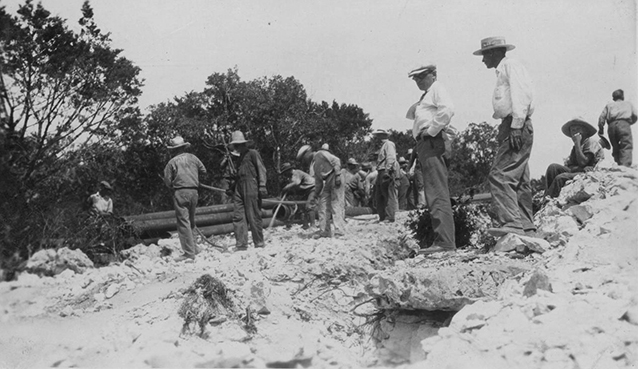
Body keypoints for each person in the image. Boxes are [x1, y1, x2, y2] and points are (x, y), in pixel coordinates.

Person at [474, 36, 536, 238]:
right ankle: (526, 226)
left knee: (500, 175)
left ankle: (511, 224)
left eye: (484, 55)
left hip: (515, 124)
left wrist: (516, 126)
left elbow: (521, 95)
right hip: (510, 124)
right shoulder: (504, 70)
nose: (483, 60)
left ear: (493, 53)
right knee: (518, 179)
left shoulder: (511, 66)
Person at [406, 64, 456, 253]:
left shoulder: (437, 89)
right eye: (415, 78)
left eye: (421, 76)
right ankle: (442, 239)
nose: (418, 81)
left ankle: (444, 241)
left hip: (432, 142)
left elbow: (447, 109)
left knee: (436, 192)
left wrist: (432, 130)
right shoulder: (428, 94)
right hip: (426, 143)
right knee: (433, 192)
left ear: (433, 75)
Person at [163, 136, 207, 261]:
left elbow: (167, 180)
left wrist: (173, 184)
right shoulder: (193, 158)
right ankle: (194, 248)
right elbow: (203, 170)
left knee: (183, 222)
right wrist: (193, 177)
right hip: (194, 191)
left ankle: (188, 253)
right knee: (191, 221)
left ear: (173, 149)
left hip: (181, 192)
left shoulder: (172, 162)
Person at [545, 118, 605, 198]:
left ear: (585, 131)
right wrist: (579, 168)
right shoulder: (576, 147)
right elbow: (570, 166)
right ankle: (546, 195)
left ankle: (550, 198)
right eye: (573, 130)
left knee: (560, 178)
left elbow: (583, 162)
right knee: (553, 167)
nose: (575, 132)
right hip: (580, 171)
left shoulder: (591, 142)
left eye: (578, 129)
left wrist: (577, 143)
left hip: (592, 173)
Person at [229, 131, 268, 251]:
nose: (237, 147)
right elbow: (237, 175)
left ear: (244, 144)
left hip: (251, 185)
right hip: (239, 187)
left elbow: (261, 169)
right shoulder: (238, 159)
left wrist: (262, 185)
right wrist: (231, 188)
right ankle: (241, 244)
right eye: (236, 145)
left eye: (239, 145)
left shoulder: (253, 153)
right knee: (238, 215)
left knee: (253, 214)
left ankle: (259, 243)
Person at [298, 144, 346, 238]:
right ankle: (324, 231)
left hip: (335, 176)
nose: (304, 160)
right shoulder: (314, 165)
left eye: (304, 157)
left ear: (308, 153)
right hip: (327, 181)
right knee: (322, 204)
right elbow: (318, 183)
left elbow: (336, 160)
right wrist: (315, 196)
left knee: (336, 204)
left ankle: (339, 231)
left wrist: (337, 175)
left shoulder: (320, 154)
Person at [598, 89, 636, 167]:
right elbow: (635, 115)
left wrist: (601, 130)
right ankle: (625, 166)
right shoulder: (628, 104)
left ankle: (619, 163)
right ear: (623, 96)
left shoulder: (609, 105)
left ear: (613, 98)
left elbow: (601, 118)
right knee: (626, 145)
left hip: (611, 126)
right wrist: (628, 123)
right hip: (624, 124)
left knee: (615, 146)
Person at [372, 129, 399, 223]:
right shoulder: (382, 146)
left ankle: (389, 216)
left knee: (388, 193)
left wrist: (387, 170)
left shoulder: (389, 144)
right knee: (379, 195)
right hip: (380, 170)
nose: (377, 138)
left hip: (385, 170)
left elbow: (391, 157)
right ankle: (382, 216)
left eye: (379, 135)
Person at [280, 162, 316, 229]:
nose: (285, 175)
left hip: (312, 188)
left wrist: (285, 188)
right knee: (301, 207)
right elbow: (296, 188)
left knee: (309, 206)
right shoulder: (291, 177)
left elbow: (296, 183)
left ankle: (313, 225)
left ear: (288, 170)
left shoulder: (296, 173)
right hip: (305, 191)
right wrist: (288, 192)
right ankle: (305, 225)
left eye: (285, 173)